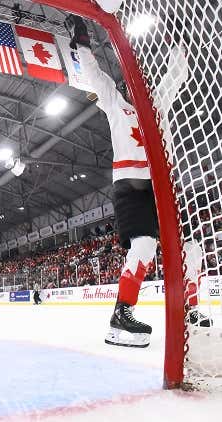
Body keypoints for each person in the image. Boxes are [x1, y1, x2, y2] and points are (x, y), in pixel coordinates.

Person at [66, 16, 210, 347]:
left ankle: (191, 310)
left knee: (192, 249)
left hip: (165, 187)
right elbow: (97, 78)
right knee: (144, 245)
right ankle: (121, 314)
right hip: (132, 186)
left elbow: (178, 71)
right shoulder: (116, 104)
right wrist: (84, 45)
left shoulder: (158, 102)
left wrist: (181, 35)